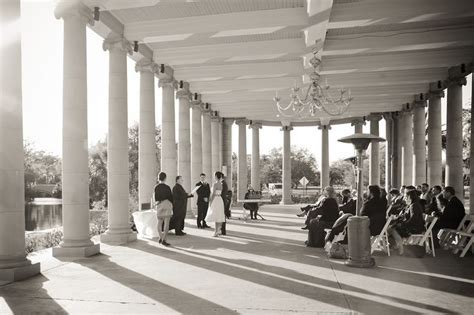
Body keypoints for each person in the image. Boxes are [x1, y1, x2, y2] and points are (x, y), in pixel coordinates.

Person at [389, 190, 425, 255]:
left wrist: (402, 224)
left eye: (405, 197)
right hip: (413, 226)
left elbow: (413, 219)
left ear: (410, 197)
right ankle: (397, 246)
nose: (404, 198)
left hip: (415, 228)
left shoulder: (414, 205)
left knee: (392, 229)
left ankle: (401, 249)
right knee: (392, 228)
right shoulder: (411, 205)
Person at [154, 172, 173, 246]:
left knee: (159, 222)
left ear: (158, 178)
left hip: (159, 204)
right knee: (166, 223)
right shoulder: (167, 187)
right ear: (165, 178)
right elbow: (171, 197)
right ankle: (164, 239)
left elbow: (156, 198)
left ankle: (160, 237)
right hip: (167, 203)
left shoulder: (156, 187)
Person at [205, 172, 226, 237]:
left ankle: (216, 231)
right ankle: (217, 230)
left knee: (215, 215)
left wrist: (210, 201)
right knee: (218, 215)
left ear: (216, 176)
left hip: (215, 199)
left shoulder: (215, 184)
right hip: (220, 199)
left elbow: (213, 194)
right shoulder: (221, 184)